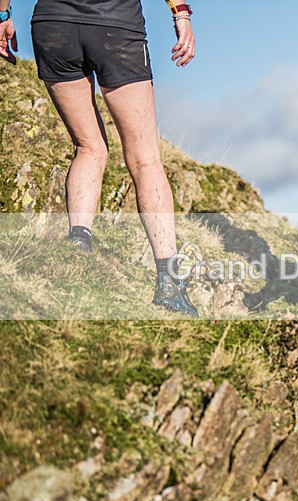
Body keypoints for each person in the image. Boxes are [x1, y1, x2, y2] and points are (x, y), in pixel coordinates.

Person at [0, 0, 198, 316]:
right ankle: (170, 284)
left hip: (53, 27)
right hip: (116, 26)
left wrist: (2, 15)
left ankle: (77, 247)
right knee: (145, 159)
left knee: (88, 147)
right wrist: (181, 14)